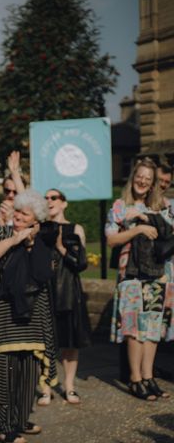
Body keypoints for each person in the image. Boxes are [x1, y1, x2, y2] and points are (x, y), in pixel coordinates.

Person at [0, 189, 57, 443]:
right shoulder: (2, 231)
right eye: (16, 210)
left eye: (24, 213)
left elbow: (47, 270)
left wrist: (31, 242)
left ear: (35, 219)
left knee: (27, 371)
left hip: (31, 316)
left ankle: (19, 420)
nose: (18, 215)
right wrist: (14, 240)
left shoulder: (42, 237)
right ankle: (3, 425)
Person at [106, 158, 173, 401]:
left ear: (154, 182)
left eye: (148, 178)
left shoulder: (162, 206)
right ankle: (135, 379)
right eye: (139, 177)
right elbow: (111, 240)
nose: (143, 181)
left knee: (153, 329)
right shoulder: (120, 206)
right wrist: (137, 228)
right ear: (133, 178)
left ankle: (148, 376)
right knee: (134, 329)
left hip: (157, 274)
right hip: (132, 275)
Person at [37, 189, 91, 406]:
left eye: (54, 198)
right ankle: (46, 388)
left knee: (70, 342)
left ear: (64, 203)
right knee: (45, 343)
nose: (49, 201)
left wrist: (60, 248)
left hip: (68, 291)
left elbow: (81, 264)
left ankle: (69, 386)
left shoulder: (75, 228)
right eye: (46, 198)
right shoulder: (39, 227)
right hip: (45, 291)